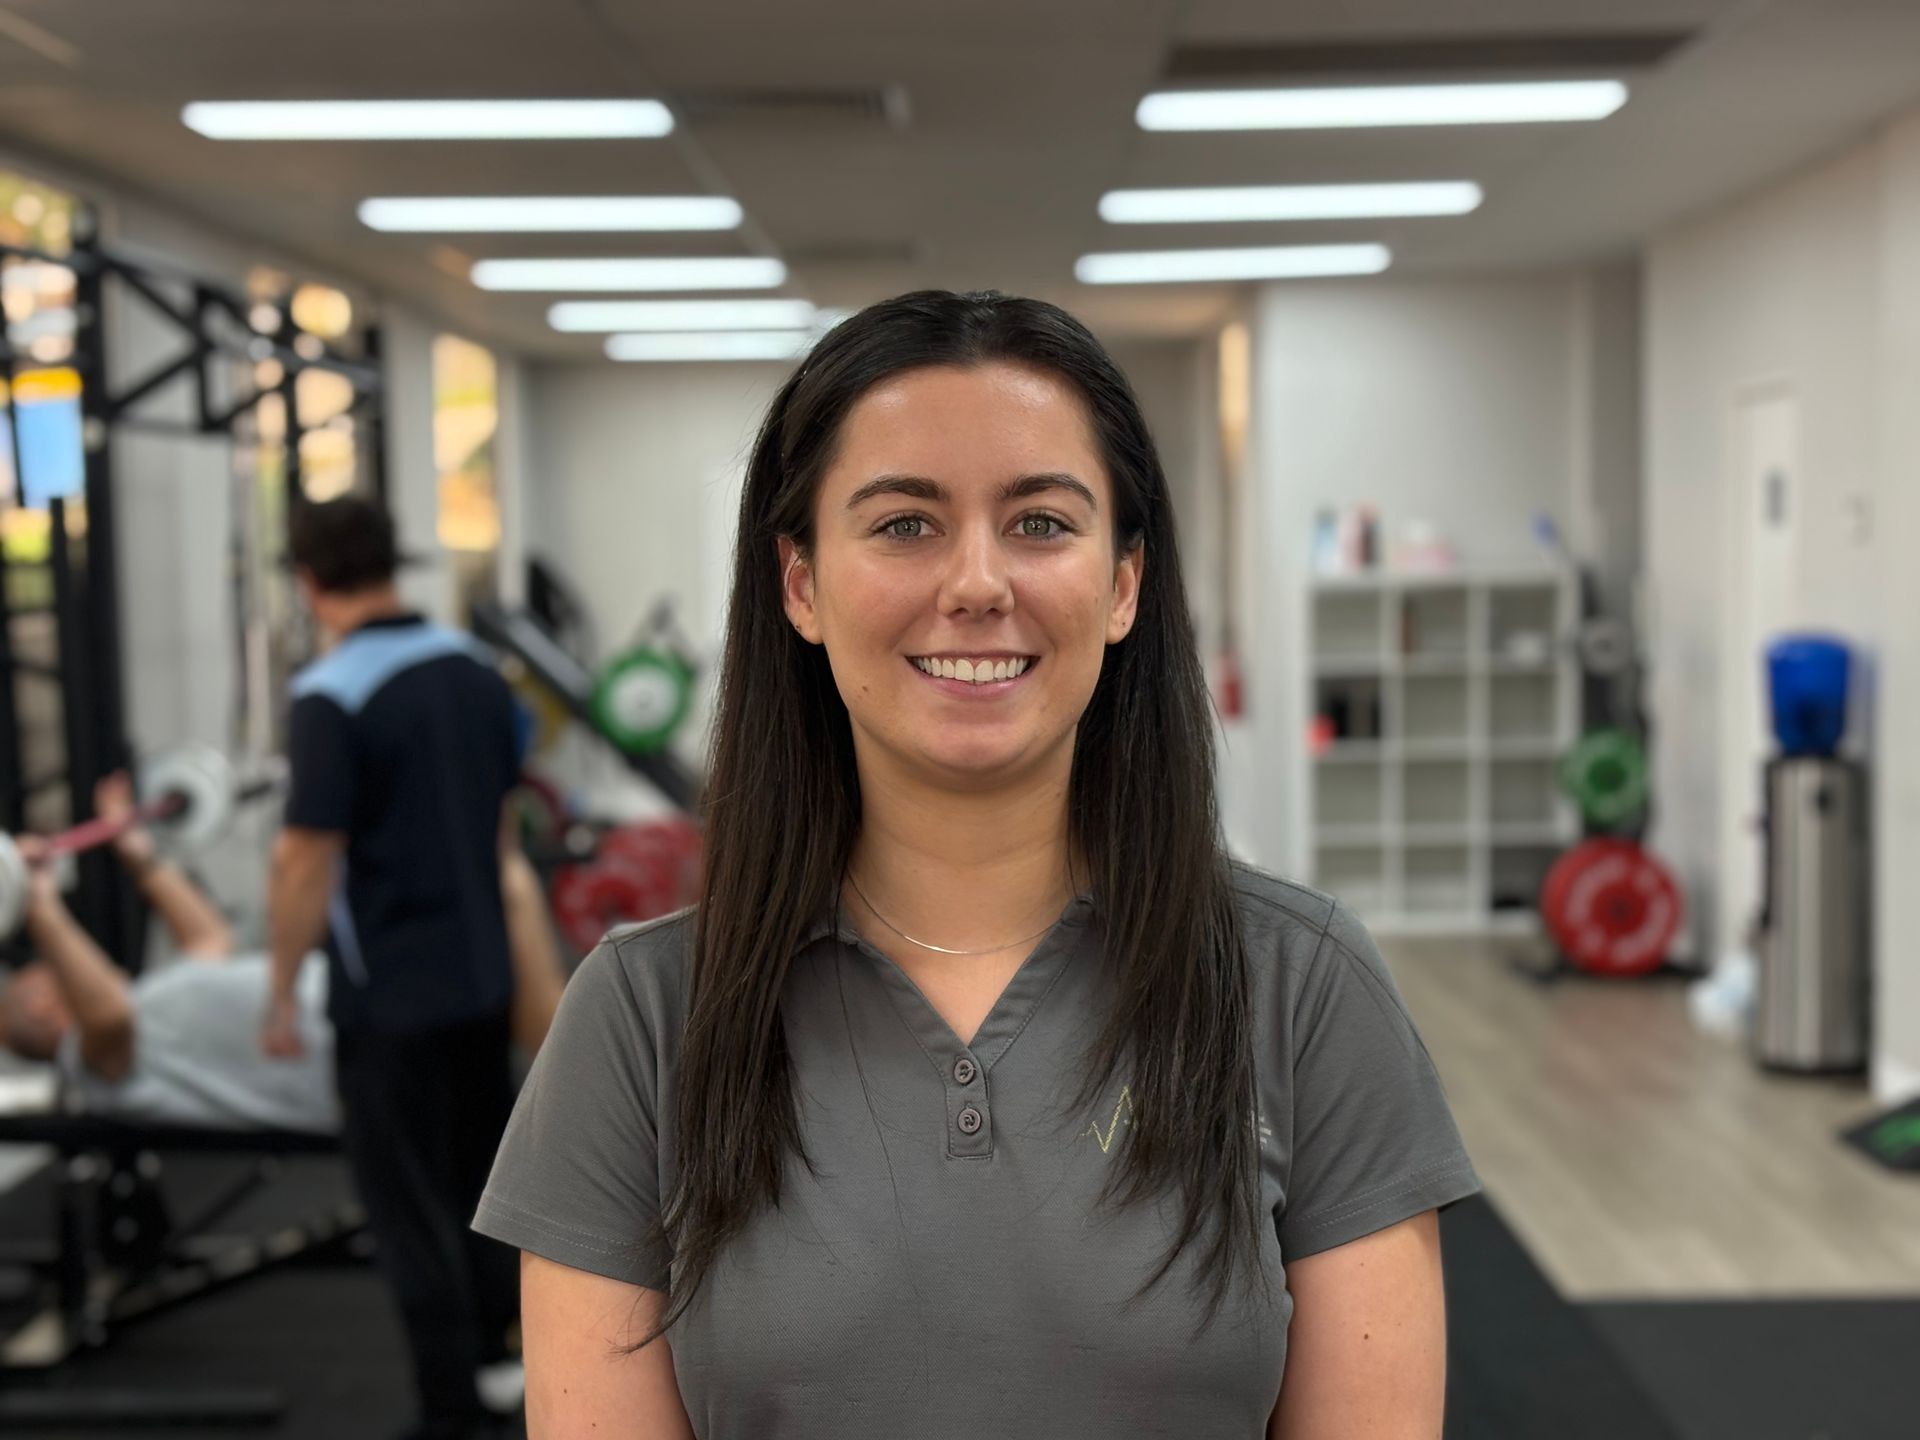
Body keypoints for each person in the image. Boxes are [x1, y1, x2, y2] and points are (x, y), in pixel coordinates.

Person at [475, 290, 1482, 1438]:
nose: (976, 584)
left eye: (1041, 523)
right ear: (801, 584)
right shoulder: (643, 1016)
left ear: (1123, 585)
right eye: (905, 523)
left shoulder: (1301, 986)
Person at [267, 494, 526, 1440]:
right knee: (485, 1183)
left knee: (408, 1206)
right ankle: (506, 1360)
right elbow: (501, 830)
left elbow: (304, 860)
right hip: (481, 977)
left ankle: (451, 1410)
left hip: (389, 1001)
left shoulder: (330, 695)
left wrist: (279, 988)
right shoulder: (476, 675)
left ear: (309, 581)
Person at [0, 775, 565, 1133]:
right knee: (505, 900)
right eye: (44, 975)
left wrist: (138, 855)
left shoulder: (150, 1004)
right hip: (376, 1059)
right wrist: (39, 906)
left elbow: (209, 942)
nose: (54, 970)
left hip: (385, 1012)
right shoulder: (98, 1060)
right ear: (51, 1005)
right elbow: (106, 1012)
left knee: (502, 916)